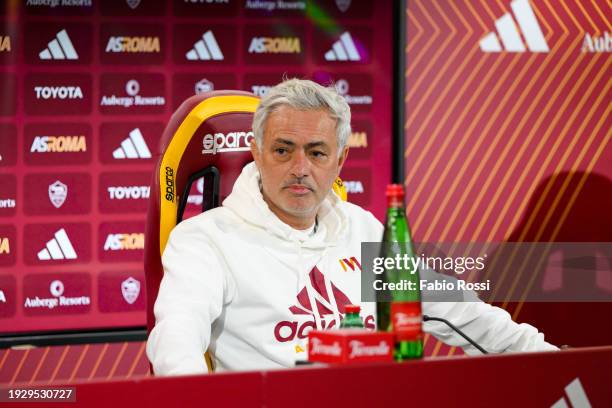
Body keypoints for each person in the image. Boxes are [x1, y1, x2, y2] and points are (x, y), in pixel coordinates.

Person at [146, 79, 557, 376]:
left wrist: (558, 363)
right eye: (283, 150)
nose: (300, 169)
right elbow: (176, 346)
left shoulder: (363, 230)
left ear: (340, 160)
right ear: (256, 151)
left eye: (317, 152)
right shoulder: (205, 241)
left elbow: (460, 311)